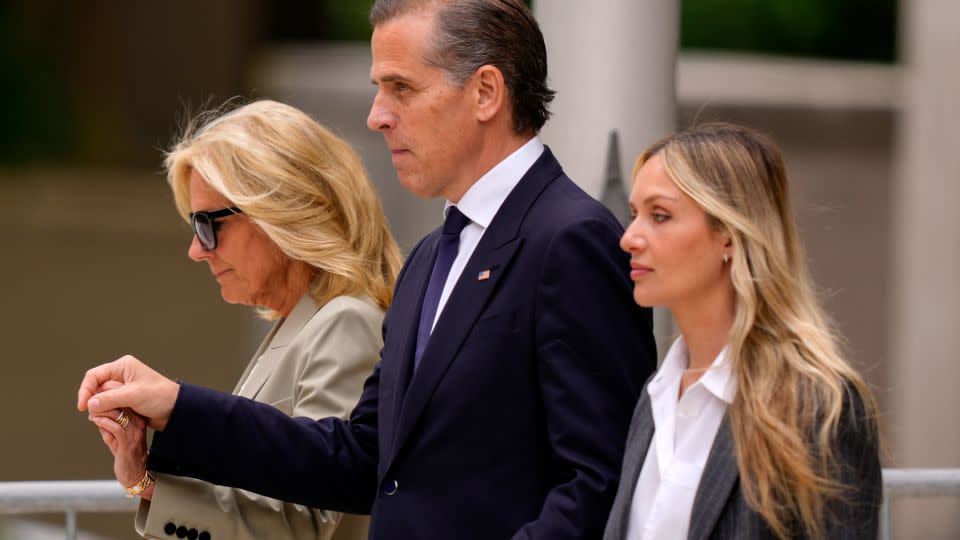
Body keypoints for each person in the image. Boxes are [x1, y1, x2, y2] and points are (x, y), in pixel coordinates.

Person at [79, 1, 657, 538]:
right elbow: (357, 460)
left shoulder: (570, 239)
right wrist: (178, 409)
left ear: (485, 92)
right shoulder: (431, 257)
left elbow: (598, 483)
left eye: (401, 88)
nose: (377, 116)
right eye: (379, 89)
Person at [88, 99, 402, 540]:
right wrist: (144, 479)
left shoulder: (345, 321)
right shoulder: (308, 322)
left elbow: (305, 524)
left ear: (282, 211)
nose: (197, 250)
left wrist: (174, 411)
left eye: (207, 224)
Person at [604, 123, 882, 540]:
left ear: (730, 236)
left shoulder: (818, 407)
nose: (629, 238)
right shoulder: (654, 397)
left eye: (659, 215)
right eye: (634, 215)